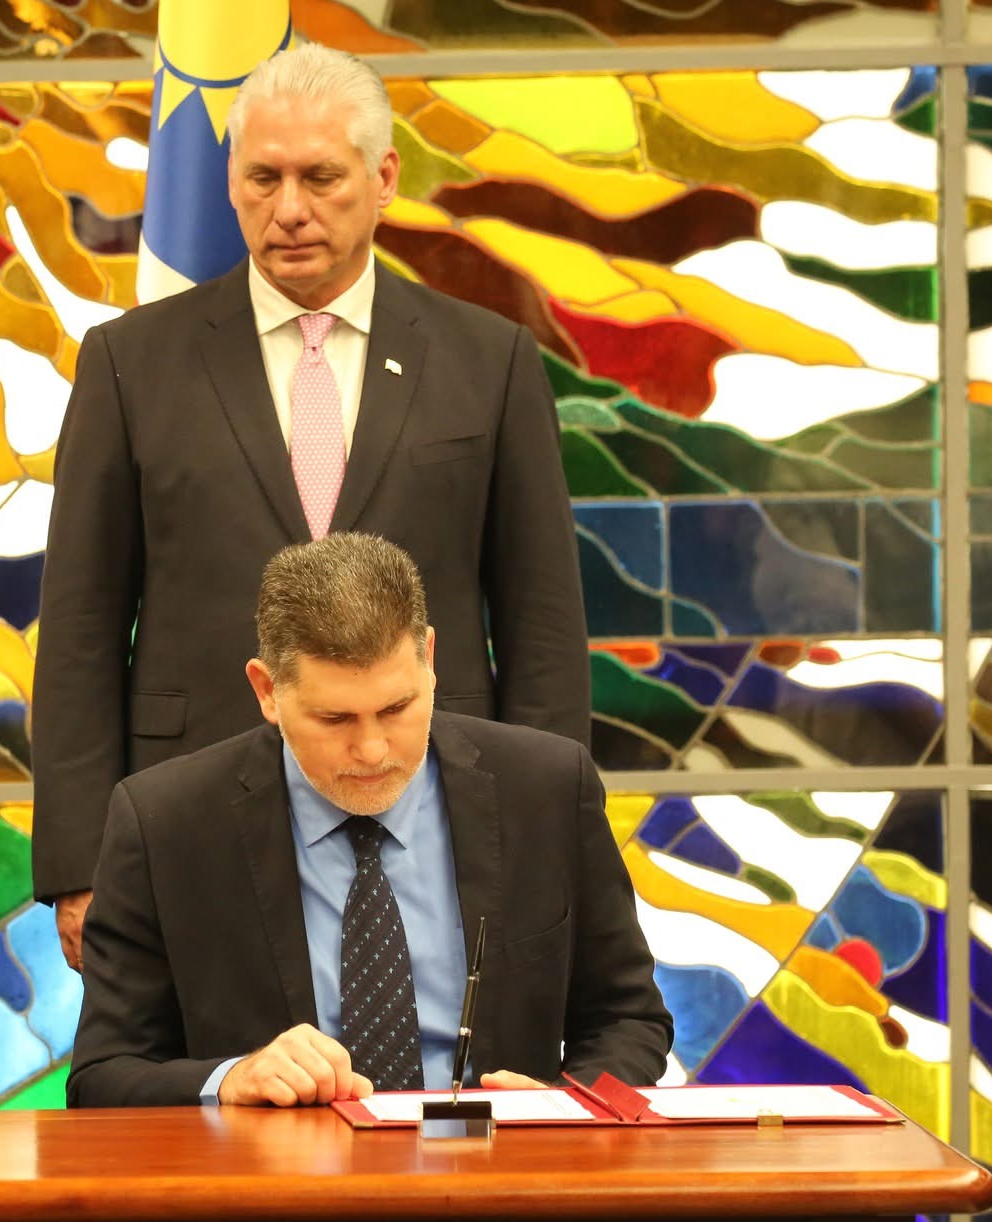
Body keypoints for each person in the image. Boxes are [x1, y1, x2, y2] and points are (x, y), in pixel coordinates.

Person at [33, 44, 588, 968]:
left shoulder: (489, 362)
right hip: (191, 816)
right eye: (263, 178)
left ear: (383, 179)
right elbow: (80, 626)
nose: (288, 208)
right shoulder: (131, 363)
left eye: (320, 177)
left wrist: (549, 835)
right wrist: (79, 862)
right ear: (230, 183)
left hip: (440, 808)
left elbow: (543, 625)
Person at [68, 535, 667, 1108]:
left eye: (397, 708)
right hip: (278, 1171)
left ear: (430, 660)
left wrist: (565, 1109)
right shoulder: (166, 823)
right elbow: (103, 1074)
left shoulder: (546, 787)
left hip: (502, 1167)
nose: (374, 750)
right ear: (267, 690)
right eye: (335, 719)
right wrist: (232, 1078)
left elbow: (628, 1017)